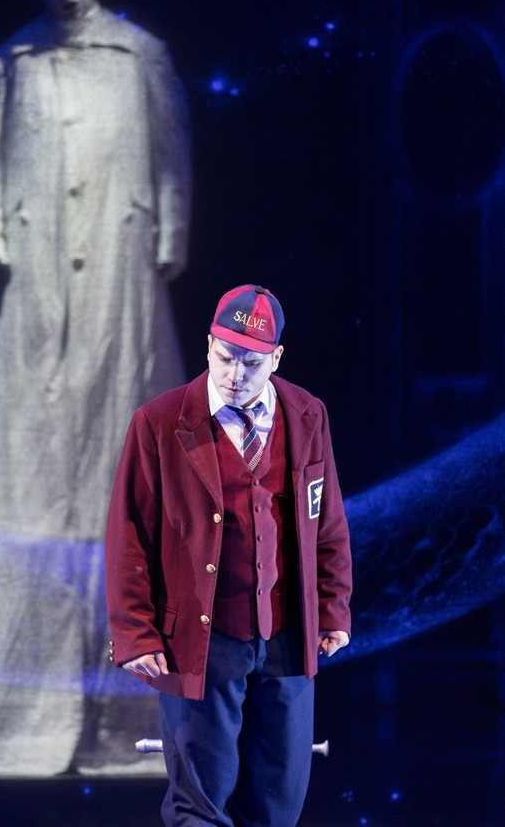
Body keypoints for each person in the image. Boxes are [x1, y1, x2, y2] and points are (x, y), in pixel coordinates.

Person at [0, 0, 191, 776]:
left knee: (123, 422)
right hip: (37, 269)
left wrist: (170, 234)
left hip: (120, 258)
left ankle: (129, 715)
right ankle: (12, 712)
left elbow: (170, 151)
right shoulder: (15, 61)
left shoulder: (139, 54)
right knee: (27, 442)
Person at [105, 284, 352, 826]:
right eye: (225, 357)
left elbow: (327, 521)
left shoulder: (307, 415)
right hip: (203, 639)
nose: (235, 374)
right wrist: (135, 633)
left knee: (278, 802)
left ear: (276, 358)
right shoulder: (160, 421)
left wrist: (333, 608)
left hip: (286, 636)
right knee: (200, 803)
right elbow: (128, 535)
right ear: (209, 345)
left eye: (251, 362)